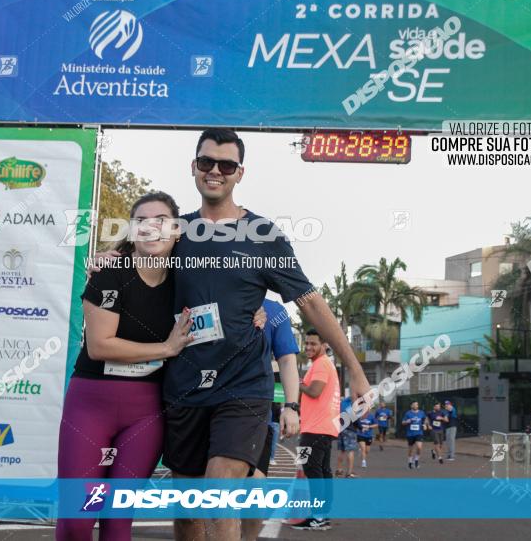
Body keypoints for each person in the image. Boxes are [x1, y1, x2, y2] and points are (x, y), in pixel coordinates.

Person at [95, 129, 370, 541]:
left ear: (240, 173)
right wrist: (110, 257)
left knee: (218, 492)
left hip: (243, 387)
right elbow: (132, 254)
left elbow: (310, 302)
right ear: (194, 167)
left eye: (226, 165)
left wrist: (356, 369)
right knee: (187, 513)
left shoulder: (265, 236)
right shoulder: (176, 231)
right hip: (184, 387)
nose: (215, 171)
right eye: (207, 162)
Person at [57, 192, 265, 540]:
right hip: (91, 403)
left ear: (177, 231)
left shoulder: (186, 281)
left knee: (118, 517)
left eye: (161, 221)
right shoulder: (111, 273)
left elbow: (229, 301)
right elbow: (99, 346)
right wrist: (166, 347)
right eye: (142, 221)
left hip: (147, 409)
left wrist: (257, 311)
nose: (151, 228)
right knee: (79, 517)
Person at [241, 298, 300, 541]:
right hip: (206, 409)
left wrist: (291, 406)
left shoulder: (274, 311)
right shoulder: (208, 292)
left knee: (254, 489)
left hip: (255, 413)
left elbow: (286, 359)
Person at [292, 330, 340, 531]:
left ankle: (318, 517)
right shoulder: (325, 363)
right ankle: (322, 515)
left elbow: (314, 391)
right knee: (322, 471)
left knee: (314, 472)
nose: (309, 347)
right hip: (324, 426)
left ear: (324, 345)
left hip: (316, 427)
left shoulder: (321, 364)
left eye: (313, 344)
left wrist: (296, 381)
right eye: (307, 344)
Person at [336, 395, 359, 478]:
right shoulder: (353, 404)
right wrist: (359, 426)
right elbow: (355, 419)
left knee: (341, 450)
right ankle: (349, 472)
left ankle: (339, 470)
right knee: (350, 451)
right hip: (350, 429)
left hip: (341, 429)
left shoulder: (342, 403)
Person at [402, 401, 428, 469]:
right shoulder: (408, 413)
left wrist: (425, 425)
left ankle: (416, 460)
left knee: (419, 447)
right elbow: (403, 422)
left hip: (419, 433)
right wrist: (406, 422)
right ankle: (410, 462)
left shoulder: (421, 412)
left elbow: (425, 419)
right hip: (410, 434)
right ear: (411, 406)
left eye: (417, 404)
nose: (416, 405)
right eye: (415, 404)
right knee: (410, 449)